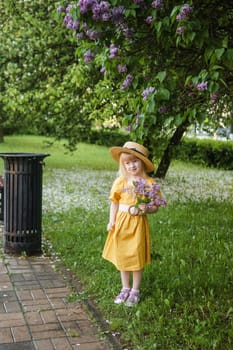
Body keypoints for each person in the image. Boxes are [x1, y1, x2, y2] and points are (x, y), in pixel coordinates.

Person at [102, 141, 163, 307]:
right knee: (122, 254)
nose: (131, 166)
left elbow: (156, 206)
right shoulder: (121, 182)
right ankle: (125, 287)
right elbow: (114, 203)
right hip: (122, 222)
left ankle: (135, 290)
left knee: (136, 255)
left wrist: (147, 209)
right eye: (127, 163)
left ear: (142, 162)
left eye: (135, 161)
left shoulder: (149, 183)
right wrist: (111, 221)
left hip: (137, 224)